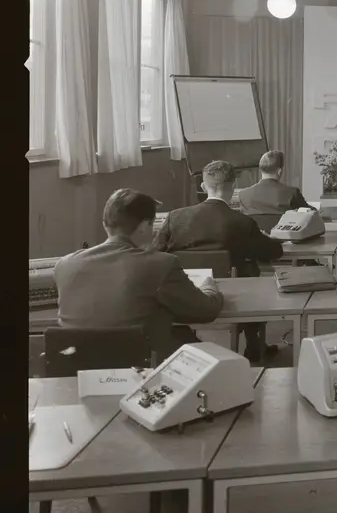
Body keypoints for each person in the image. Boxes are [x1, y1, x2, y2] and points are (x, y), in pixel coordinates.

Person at [55, 189, 224, 360]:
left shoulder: (64, 265)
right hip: (142, 367)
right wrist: (209, 286)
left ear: (105, 224)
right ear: (144, 227)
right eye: (152, 224)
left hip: (77, 367)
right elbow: (206, 310)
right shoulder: (161, 264)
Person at [155, 160, 283, 362]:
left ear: (203, 186)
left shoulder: (175, 217)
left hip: (185, 294)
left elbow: (155, 253)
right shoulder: (242, 222)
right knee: (254, 275)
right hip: (234, 297)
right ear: (233, 186)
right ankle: (254, 342)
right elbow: (273, 252)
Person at [235, 150, 309, 216]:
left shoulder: (243, 195)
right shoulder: (292, 193)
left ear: (261, 169)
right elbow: (310, 214)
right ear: (279, 171)